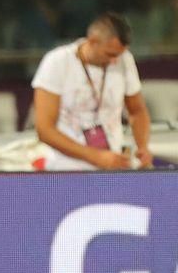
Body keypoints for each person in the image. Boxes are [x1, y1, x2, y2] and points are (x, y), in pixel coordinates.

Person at [32, 12, 153, 171]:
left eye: (119, 55)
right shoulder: (57, 62)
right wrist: (96, 157)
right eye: (110, 54)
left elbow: (137, 111)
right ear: (92, 41)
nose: (114, 61)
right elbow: (45, 130)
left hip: (113, 164)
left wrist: (142, 146)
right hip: (64, 168)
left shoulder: (124, 59)